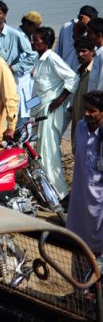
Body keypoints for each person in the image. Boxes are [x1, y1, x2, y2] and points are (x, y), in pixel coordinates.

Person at [29, 26, 76, 198]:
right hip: (38, 111)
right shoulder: (38, 59)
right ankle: (47, 191)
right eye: (33, 38)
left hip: (49, 113)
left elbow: (72, 78)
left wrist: (60, 100)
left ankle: (60, 194)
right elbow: (38, 90)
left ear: (47, 43)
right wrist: (28, 109)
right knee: (39, 153)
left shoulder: (52, 59)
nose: (33, 42)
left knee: (49, 152)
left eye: (37, 39)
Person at [67, 90, 103, 266]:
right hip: (79, 201)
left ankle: (93, 291)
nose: (87, 114)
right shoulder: (81, 128)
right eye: (86, 109)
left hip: (99, 206)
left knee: (97, 251)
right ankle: (78, 292)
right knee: (77, 243)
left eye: (92, 110)